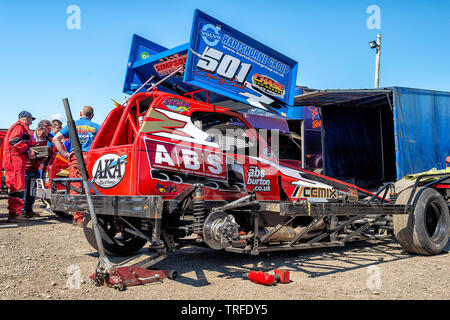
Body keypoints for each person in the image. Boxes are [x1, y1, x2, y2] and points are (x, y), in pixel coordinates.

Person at [53, 106, 100, 226]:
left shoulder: (71, 125)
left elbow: (55, 139)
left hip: (76, 158)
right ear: (92, 115)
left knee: (76, 186)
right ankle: (91, 216)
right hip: (91, 157)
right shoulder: (96, 127)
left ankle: (79, 218)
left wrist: (65, 154)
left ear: (80, 113)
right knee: (92, 185)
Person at [2, 111, 36, 223]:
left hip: (17, 160)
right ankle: (14, 214)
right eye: (31, 119)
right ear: (27, 118)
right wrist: (27, 149)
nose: (31, 122)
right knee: (17, 186)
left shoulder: (20, 127)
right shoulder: (19, 126)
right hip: (14, 160)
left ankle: (16, 212)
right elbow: (13, 140)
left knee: (18, 186)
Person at [23, 120, 52, 218]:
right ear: (42, 129)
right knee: (25, 191)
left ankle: (29, 210)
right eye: (48, 129)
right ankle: (23, 212)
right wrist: (28, 152)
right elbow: (21, 149)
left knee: (32, 191)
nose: (49, 131)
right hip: (25, 168)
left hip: (35, 168)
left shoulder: (46, 138)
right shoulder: (29, 136)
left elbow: (57, 140)